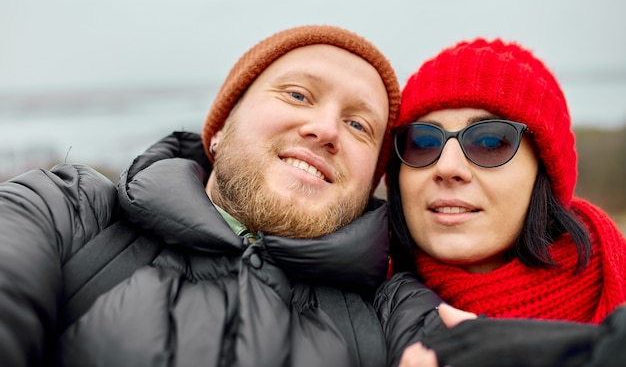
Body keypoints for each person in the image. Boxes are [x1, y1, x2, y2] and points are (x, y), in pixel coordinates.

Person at [0, 25, 401, 367]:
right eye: (297, 95)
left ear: (370, 185)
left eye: (358, 124)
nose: (327, 129)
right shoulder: (70, 212)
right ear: (221, 128)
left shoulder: (389, 312)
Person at [374, 38, 626, 367]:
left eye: (490, 140)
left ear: (543, 171)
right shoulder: (346, 317)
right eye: (422, 141)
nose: (448, 167)